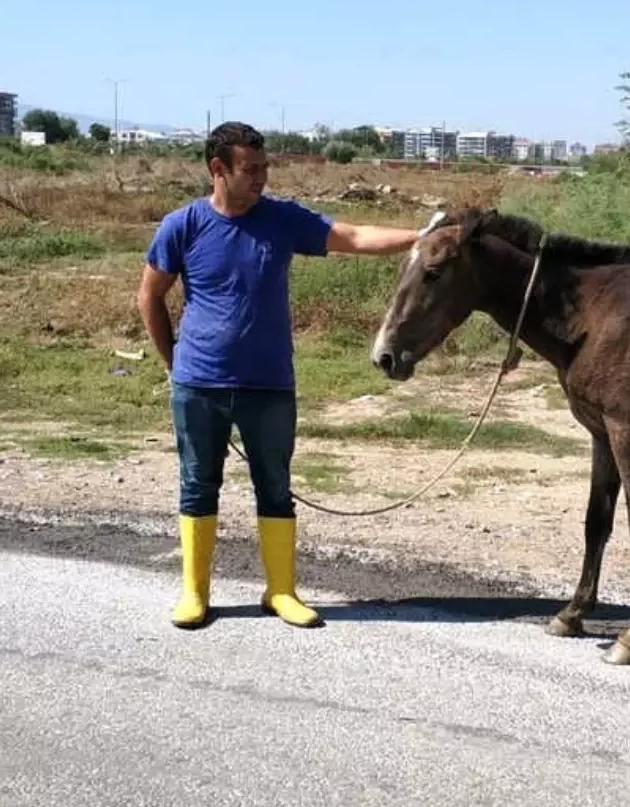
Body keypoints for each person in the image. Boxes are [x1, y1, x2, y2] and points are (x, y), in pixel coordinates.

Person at [137, 121, 444, 630]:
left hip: (270, 385)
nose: (262, 177)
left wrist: (420, 237)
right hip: (200, 385)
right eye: (250, 169)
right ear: (219, 169)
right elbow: (150, 294)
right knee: (197, 486)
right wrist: (175, 363)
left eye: (265, 167)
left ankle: (280, 591)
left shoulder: (282, 220)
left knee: (275, 488)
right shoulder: (182, 225)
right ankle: (194, 593)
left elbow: (353, 236)